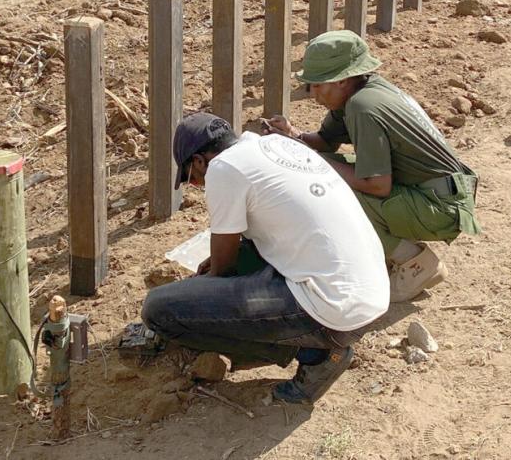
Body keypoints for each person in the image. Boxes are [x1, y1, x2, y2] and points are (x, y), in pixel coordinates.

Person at [142, 112, 390, 404]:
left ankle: (314, 353)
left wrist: (201, 292)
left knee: (158, 309)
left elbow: (222, 270)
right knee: (245, 256)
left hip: (333, 308)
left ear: (199, 161)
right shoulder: (275, 146)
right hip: (370, 292)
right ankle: (314, 342)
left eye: (194, 180)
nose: (200, 186)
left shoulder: (223, 167)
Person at [265, 30, 481, 302]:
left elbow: (377, 185)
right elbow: (325, 142)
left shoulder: (362, 107)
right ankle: (389, 253)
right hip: (435, 194)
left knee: (326, 188)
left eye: (318, 85)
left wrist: (312, 160)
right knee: (320, 171)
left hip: (440, 208)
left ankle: (415, 263)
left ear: (342, 80)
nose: (313, 94)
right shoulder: (361, 92)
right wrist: (292, 135)